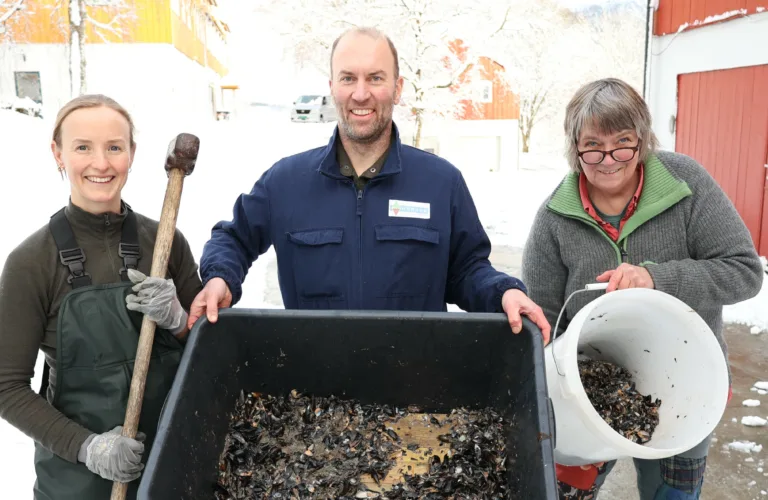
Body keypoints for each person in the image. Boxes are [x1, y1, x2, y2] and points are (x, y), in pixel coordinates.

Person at [188, 27, 551, 342]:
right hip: (314, 389)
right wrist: (221, 278)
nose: (361, 94)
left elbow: (468, 271)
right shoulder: (285, 182)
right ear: (332, 87)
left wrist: (503, 292)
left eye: (375, 78)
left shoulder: (441, 183)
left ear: (398, 87)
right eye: (348, 78)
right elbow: (232, 238)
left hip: (415, 391)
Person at [521, 78, 764, 499]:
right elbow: (541, 320)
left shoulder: (686, 184)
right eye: (593, 145)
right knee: (564, 491)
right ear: (574, 147)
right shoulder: (554, 219)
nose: (609, 159)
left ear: (644, 140)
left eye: (624, 142)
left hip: (684, 384)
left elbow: (744, 272)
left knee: (670, 493)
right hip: (585, 388)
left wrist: (656, 279)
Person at [0, 94, 203, 500]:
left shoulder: (165, 242)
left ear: (132, 153)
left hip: (175, 466)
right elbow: (7, 388)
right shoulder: (31, 262)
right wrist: (88, 448)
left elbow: (212, 354)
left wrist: (181, 322)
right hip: (77, 481)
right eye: (82, 147)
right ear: (58, 154)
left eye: (114, 147)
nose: (101, 163)